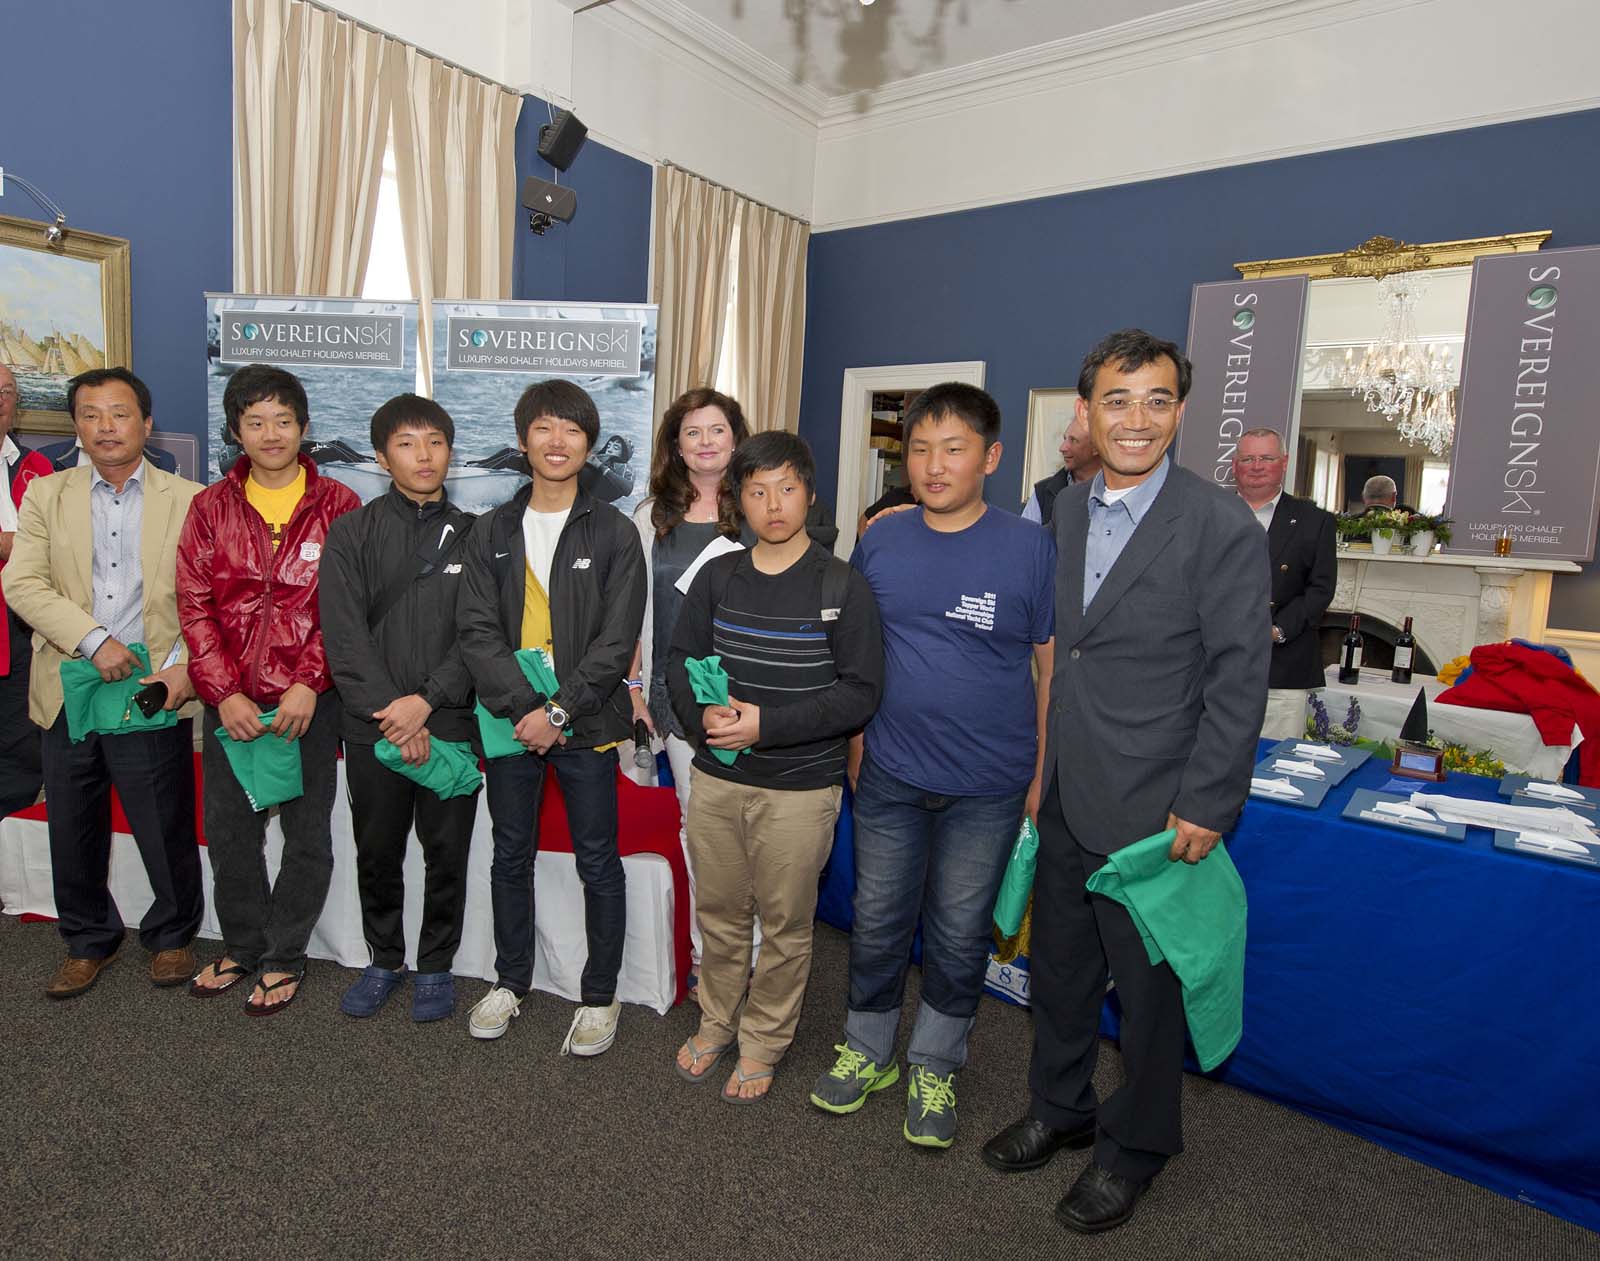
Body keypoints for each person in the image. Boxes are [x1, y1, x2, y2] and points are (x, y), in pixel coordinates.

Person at [982, 329, 1268, 1235]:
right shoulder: (1064, 511)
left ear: (1179, 411)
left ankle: (1134, 1149)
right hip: (1068, 793)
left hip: (1157, 812)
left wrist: (1209, 800)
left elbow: (1238, 677)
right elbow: (1058, 654)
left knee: (1148, 1001)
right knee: (1061, 975)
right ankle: (1060, 1107)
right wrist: (1039, 773)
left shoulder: (1218, 522)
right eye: (1117, 399)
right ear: (1087, 411)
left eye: (1156, 400)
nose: (1136, 418)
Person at [809, 382, 1056, 1149]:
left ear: (991, 456)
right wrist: (855, 743)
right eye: (920, 449)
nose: (935, 465)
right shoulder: (882, 538)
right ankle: (868, 1048)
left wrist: (1041, 774)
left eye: (953, 449)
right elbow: (855, 652)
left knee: (956, 932)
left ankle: (936, 1063)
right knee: (878, 920)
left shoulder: (1029, 547)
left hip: (990, 785)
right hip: (888, 772)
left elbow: (1051, 667)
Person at [666, 431, 883, 1102]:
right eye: (758, 491)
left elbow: (860, 692)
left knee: (786, 926)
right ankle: (717, 1022)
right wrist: (702, 715)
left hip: (800, 791)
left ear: (809, 495)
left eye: (787, 488)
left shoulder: (841, 584)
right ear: (740, 500)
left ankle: (763, 1040)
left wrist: (768, 725)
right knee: (721, 914)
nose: (774, 504)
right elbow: (679, 659)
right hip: (718, 780)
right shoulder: (717, 575)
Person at [456, 378, 645, 1053]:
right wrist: (526, 709)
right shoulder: (491, 529)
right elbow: (475, 629)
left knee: (598, 859)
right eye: (544, 427)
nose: (557, 440)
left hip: (586, 720)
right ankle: (511, 980)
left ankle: (600, 994)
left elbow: (617, 641)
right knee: (510, 855)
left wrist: (559, 710)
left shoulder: (615, 531)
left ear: (588, 443)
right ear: (523, 439)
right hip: (511, 719)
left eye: (571, 429)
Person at [3, 367, 204, 997]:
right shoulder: (47, 494)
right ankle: (88, 940)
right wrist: (94, 640)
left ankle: (172, 937)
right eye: (90, 415)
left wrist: (180, 668)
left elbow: (206, 599)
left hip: (151, 685)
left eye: (119, 413)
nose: (105, 426)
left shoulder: (191, 499)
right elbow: (22, 583)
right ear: (76, 426)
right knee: (73, 823)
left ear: (147, 424)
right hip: (71, 682)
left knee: (164, 821)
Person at [177, 364, 360, 1014]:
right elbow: (194, 605)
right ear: (236, 431)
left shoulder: (339, 505)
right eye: (255, 421)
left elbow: (346, 608)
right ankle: (243, 945)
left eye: (283, 420)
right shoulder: (210, 508)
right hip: (231, 702)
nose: (271, 433)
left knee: (307, 836)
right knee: (231, 833)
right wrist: (223, 691)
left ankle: (284, 955)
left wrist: (310, 682)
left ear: (304, 427)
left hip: (310, 702)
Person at [319, 395, 479, 1022]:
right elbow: (343, 635)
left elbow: (481, 635)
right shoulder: (352, 533)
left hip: (449, 721)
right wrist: (393, 711)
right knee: (378, 851)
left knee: (447, 854)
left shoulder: (477, 534)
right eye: (408, 444)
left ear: (451, 452)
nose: (424, 455)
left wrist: (427, 701)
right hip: (373, 726)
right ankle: (384, 957)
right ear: (383, 457)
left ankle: (436, 964)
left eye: (435, 442)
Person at [628, 387, 750, 990]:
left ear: (736, 438)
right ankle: (711, 958)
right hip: (678, 698)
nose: (706, 442)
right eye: (692, 432)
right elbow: (630, 611)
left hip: (752, 697)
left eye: (717, 430)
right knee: (699, 827)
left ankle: (754, 954)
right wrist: (633, 685)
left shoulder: (760, 505)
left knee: (755, 832)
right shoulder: (650, 516)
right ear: (676, 445)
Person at [1232, 428, 1336, 739]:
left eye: (1266, 458)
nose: (1256, 466)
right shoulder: (1207, 513)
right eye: (1247, 459)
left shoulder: (1314, 520)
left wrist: (1276, 631)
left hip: (1281, 667)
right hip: (1211, 667)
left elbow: (1320, 589)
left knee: (1274, 763)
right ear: (1234, 465)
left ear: (1285, 462)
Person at [0, 362, 54, 819]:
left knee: (21, 752)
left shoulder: (38, 468)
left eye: (5, 391)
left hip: (23, 629)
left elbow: (57, 545)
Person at [1021, 412, 1102, 526]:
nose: (1062, 448)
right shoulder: (1044, 493)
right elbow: (1025, 535)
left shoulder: (1117, 492)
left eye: (1073, 440)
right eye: (1065, 439)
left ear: (1096, 448)